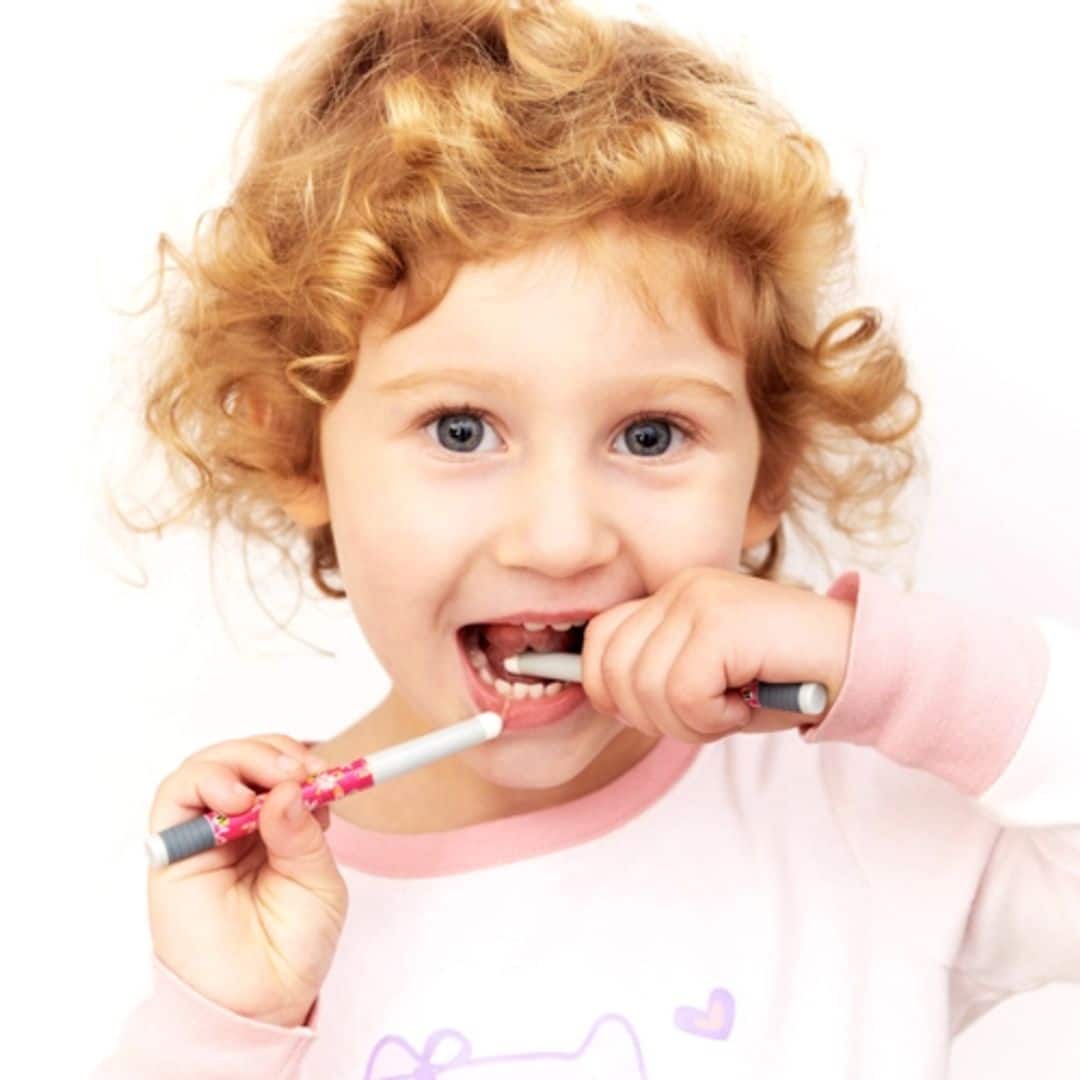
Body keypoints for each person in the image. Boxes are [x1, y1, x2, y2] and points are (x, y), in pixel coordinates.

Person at [94, 0, 1080, 1075]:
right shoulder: (252, 909)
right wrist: (221, 1032)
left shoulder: (860, 827)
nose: (560, 539)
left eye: (651, 434)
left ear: (770, 476)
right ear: (296, 449)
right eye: (461, 430)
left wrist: (884, 668)